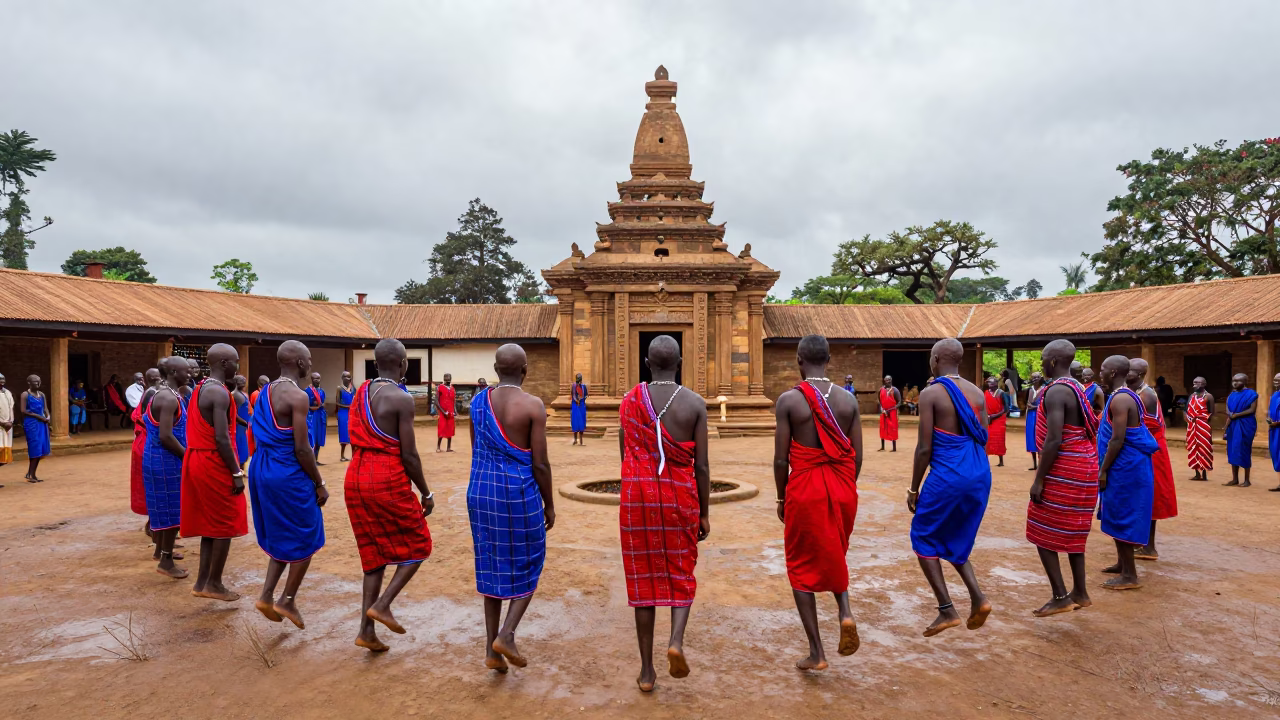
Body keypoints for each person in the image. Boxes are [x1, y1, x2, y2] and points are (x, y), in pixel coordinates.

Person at [619, 335, 710, 692]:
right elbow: (701, 467)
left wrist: (637, 486)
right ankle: (675, 641)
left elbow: (625, 455)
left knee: (643, 579)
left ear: (646, 362)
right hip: (679, 498)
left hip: (637, 498)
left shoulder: (629, 402)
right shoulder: (694, 403)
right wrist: (703, 512)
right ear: (680, 362)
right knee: (681, 570)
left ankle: (646, 671)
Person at [773, 334, 862, 671]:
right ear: (829, 360)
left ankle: (817, 653)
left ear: (799, 360)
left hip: (805, 488)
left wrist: (782, 496)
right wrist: (843, 489)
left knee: (800, 564)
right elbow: (857, 457)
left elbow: (781, 460)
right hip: (842, 488)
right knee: (834, 552)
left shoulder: (789, 401)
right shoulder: (848, 401)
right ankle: (845, 612)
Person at [467, 344, 554, 671]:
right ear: (525, 370)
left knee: (491, 563)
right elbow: (540, 464)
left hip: (480, 492)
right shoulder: (533, 405)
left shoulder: (477, 403)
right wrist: (549, 505)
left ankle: (491, 652)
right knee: (530, 559)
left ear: (495, 368)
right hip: (517, 493)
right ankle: (507, 634)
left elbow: (477, 451)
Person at [345, 339, 434, 653]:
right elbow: (409, 455)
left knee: (374, 555)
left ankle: (366, 631)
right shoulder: (400, 398)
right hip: (386, 476)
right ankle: (382, 605)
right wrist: (426, 492)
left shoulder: (361, 392)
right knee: (420, 544)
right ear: (404, 363)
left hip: (355, 475)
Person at [908, 338, 993, 638]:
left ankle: (946, 609)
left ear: (934, 359)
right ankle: (978, 598)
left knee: (922, 536)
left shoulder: (931, 393)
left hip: (949, 476)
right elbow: (983, 435)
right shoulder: (978, 392)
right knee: (955, 537)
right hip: (979, 473)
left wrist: (913, 488)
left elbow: (924, 449)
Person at [249, 341, 328, 629]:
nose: (311, 364)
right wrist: (319, 482)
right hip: (287, 473)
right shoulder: (298, 397)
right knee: (308, 533)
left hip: (262, 469)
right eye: (308, 359)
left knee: (282, 535)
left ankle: (267, 595)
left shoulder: (265, 392)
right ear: (299, 363)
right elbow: (303, 449)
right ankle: (288, 599)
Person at [1027, 340, 1099, 616]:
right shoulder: (1077, 388)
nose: (1042, 364)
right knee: (1074, 531)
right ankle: (1080, 592)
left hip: (1065, 469)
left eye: (1044, 359)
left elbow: (1054, 439)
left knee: (1040, 529)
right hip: (1084, 464)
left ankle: (1060, 595)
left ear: (1054, 361)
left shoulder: (1056, 391)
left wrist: (1039, 479)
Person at [181, 344, 248, 601]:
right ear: (223, 362)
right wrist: (236, 472)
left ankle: (202, 583)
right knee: (224, 523)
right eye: (235, 362)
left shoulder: (202, 388)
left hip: (200, 458)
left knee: (211, 526)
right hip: (213, 462)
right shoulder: (219, 393)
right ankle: (215, 584)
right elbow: (222, 438)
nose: (237, 367)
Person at [1095, 355, 1159, 591]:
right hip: (1123, 466)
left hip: (1125, 467)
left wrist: (1103, 470)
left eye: (1102, 369)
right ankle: (1123, 564)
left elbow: (1117, 440)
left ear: (1112, 373)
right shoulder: (1119, 396)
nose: (1098, 372)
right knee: (1115, 511)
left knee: (1123, 514)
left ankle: (1130, 575)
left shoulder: (1121, 399)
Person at [144, 358, 191, 578]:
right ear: (173, 371)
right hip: (166, 459)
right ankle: (166, 560)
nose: (190, 373)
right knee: (172, 509)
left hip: (163, 458)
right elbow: (165, 436)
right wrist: (188, 456)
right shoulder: (167, 398)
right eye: (186, 370)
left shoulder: (171, 395)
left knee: (163, 506)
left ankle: (161, 552)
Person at [1128, 359, 1177, 561]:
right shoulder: (1135, 392)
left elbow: (1145, 428)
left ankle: (1149, 546)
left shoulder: (1147, 395)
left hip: (1151, 451)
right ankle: (1140, 542)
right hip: (1145, 448)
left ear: (1139, 373)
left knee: (1151, 496)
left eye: (1129, 369)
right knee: (1140, 496)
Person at [130, 367, 162, 526]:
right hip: (148, 440)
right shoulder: (151, 392)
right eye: (155, 378)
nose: (158, 380)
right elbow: (145, 417)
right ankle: (154, 524)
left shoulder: (161, 391)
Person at [1223, 373, 1258, 488]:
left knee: (1244, 450)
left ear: (1244, 381)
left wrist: (1237, 415)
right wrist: (1230, 416)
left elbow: (1252, 410)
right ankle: (1235, 479)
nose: (1235, 383)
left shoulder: (1251, 394)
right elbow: (1228, 408)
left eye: (1238, 381)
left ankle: (1247, 480)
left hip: (1246, 424)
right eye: (1233, 380)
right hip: (1233, 425)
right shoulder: (1231, 395)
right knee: (1232, 449)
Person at [21, 375, 50, 483]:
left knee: (41, 448)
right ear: (29, 383)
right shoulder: (25, 394)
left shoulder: (41, 394)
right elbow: (24, 411)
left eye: (39, 381)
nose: (38, 384)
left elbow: (45, 408)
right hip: (32, 424)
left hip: (42, 423)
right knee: (34, 447)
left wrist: (48, 416)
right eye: (35, 382)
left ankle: (31, 473)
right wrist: (40, 417)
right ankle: (30, 474)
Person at [1186, 376, 1214, 481]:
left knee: (1204, 448)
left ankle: (1205, 473)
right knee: (1193, 448)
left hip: (1203, 425)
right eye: (1194, 382)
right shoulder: (1191, 396)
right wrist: (1190, 420)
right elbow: (1187, 409)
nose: (1195, 385)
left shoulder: (1209, 396)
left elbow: (1211, 412)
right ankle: (1197, 473)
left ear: (1204, 384)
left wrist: (1203, 422)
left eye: (1198, 382)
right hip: (1192, 426)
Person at [984, 376, 1008, 467]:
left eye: (991, 383)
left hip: (999, 419)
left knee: (999, 439)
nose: (989, 384)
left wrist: (994, 416)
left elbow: (1005, 408)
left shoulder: (1001, 393)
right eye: (988, 383)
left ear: (995, 384)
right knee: (988, 438)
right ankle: (986, 459)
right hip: (988, 418)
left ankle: (1001, 460)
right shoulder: (986, 393)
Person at [1024, 371, 1045, 471]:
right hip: (1031, 416)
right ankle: (1035, 464)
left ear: (1040, 378)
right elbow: (1027, 403)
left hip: (1040, 416)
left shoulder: (1044, 389)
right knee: (1031, 438)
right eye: (1033, 377)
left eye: (1036, 377)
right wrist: (1033, 406)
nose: (1034, 379)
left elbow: (1044, 405)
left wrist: (1034, 406)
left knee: (1040, 437)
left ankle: (1041, 464)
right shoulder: (1030, 390)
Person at [306, 372, 327, 465]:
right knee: (312, 438)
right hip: (312, 416)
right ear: (311, 379)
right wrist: (313, 407)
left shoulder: (322, 391)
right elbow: (306, 405)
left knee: (319, 438)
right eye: (315, 379)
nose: (317, 380)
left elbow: (323, 403)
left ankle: (316, 459)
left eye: (318, 378)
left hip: (320, 416)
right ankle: (311, 461)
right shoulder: (307, 391)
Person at [232, 375, 251, 469]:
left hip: (243, 426)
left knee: (243, 446)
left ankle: (241, 466)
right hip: (239, 425)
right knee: (240, 446)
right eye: (241, 381)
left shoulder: (242, 394)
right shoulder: (235, 395)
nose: (244, 383)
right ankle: (239, 467)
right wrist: (245, 422)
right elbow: (234, 413)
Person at [248, 375, 269, 457]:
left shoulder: (255, 394)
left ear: (258, 384)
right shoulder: (269, 394)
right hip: (267, 419)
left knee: (256, 439)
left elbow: (252, 405)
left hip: (257, 418)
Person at [878, 375, 900, 452]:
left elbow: (899, 402)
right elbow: (879, 401)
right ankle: (882, 446)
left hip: (892, 412)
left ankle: (894, 447)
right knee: (882, 427)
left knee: (893, 428)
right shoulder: (881, 390)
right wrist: (881, 408)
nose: (888, 381)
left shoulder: (895, 390)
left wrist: (891, 409)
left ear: (891, 380)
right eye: (886, 380)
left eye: (889, 380)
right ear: (884, 381)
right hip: (884, 411)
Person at [336, 371, 354, 462]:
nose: (348, 378)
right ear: (342, 378)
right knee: (343, 434)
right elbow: (337, 403)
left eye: (349, 377)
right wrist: (348, 406)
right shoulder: (340, 389)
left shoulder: (352, 389)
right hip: (343, 413)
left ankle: (353, 456)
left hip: (351, 413)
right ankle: (342, 455)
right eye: (346, 377)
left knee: (353, 434)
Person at [437, 373, 456, 452]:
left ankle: (448, 447)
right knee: (442, 428)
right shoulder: (440, 387)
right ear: (444, 379)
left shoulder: (452, 388)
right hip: (443, 412)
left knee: (450, 429)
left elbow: (453, 401)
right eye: (446, 379)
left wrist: (455, 411)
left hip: (450, 412)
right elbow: (436, 401)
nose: (448, 380)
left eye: (449, 379)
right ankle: (438, 447)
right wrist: (443, 411)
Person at [0, 374, 13, 485]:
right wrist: (2, 423)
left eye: (3, 379)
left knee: (3, 458)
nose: (2, 381)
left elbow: (11, 408)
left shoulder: (7, 393)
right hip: (0, 426)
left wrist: (10, 422)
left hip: (7, 427)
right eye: (0, 380)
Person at [1268, 374, 1280, 492]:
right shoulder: (1275, 395)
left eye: (1278, 380)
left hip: (1278, 427)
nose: (1276, 382)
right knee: (1276, 454)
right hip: (1274, 430)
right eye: (1275, 380)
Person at [570, 373, 589, 446]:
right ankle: (575, 439)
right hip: (575, 405)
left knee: (581, 422)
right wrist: (576, 400)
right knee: (575, 421)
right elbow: (573, 395)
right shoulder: (574, 386)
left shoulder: (583, 387)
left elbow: (586, 395)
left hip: (581, 405)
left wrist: (582, 398)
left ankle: (581, 440)